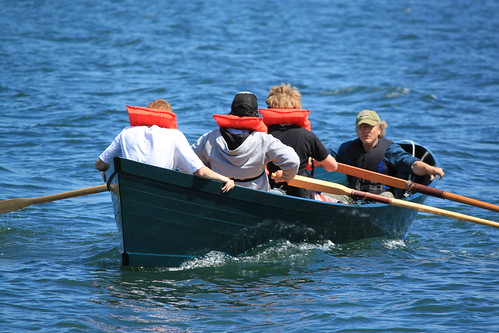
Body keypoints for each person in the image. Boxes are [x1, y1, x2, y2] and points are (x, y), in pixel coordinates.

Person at [94, 99, 234, 193]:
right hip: (160, 188)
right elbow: (200, 172)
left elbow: (100, 164)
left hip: (131, 187)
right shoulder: (174, 135)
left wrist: (108, 171)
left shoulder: (126, 132)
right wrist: (225, 179)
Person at [328, 109, 444, 204]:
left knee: (385, 199)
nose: (365, 131)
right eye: (361, 127)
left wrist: (428, 168)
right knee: (322, 196)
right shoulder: (347, 148)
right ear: (357, 130)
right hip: (353, 195)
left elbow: (412, 164)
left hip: (382, 196)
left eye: (369, 127)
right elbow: (325, 156)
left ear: (379, 129)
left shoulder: (390, 150)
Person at [191, 92, 299, 192]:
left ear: (232, 111)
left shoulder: (210, 137)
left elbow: (189, 159)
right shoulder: (264, 140)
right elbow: (293, 161)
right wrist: (285, 177)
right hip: (254, 195)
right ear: (256, 113)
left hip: (218, 191)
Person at [261, 83, 338, 199]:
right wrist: (316, 161)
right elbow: (332, 167)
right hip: (301, 195)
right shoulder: (307, 136)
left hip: (268, 191)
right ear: (296, 107)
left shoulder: (262, 135)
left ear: (271, 108)